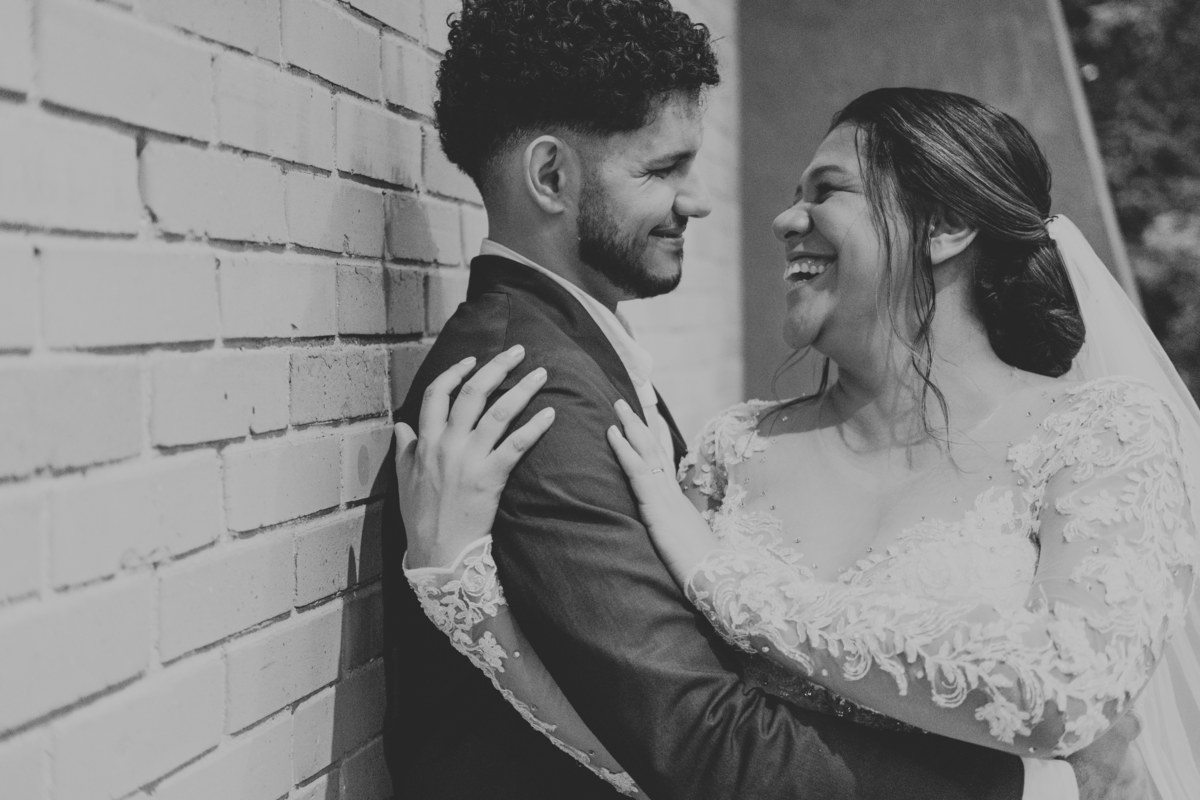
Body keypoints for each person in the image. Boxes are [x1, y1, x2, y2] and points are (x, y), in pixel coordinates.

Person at [396, 75, 1199, 800]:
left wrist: (729, 584)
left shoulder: (1101, 434)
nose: (785, 220)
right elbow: (666, 737)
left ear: (948, 225)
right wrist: (464, 592)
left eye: (828, 190)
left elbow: (1068, 689)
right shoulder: (732, 452)